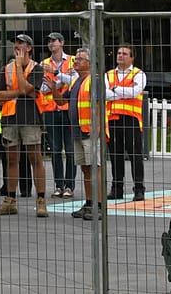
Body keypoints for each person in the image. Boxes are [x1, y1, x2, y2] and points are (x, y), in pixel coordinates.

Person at [0, 33, 49, 217]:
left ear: (29, 48)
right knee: (12, 159)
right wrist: (20, 93)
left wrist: (18, 70)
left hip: (30, 119)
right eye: (15, 43)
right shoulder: (5, 69)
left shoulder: (36, 68)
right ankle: (10, 200)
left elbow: (27, 88)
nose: (17, 46)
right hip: (10, 118)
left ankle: (41, 200)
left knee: (35, 158)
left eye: (21, 43)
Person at [67, 48, 107, 220]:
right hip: (78, 131)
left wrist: (97, 129)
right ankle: (90, 203)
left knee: (94, 168)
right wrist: (53, 87)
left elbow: (99, 105)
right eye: (75, 59)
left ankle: (99, 206)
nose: (75, 62)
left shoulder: (94, 80)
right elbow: (61, 100)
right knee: (85, 168)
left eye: (80, 59)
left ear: (89, 63)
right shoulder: (76, 82)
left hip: (90, 131)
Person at [105, 44, 148, 201]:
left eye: (124, 53)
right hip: (113, 119)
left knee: (135, 155)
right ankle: (116, 188)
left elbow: (135, 92)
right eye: (119, 53)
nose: (120, 56)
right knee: (115, 155)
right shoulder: (108, 74)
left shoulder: (139, 74)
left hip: (131, 119)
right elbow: (105, 94)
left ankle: (139, 189)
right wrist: (123, 91)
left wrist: (115, 88)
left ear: (132, 57)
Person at [41, 31, 76, 198]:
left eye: (54, 40)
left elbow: (75, 82)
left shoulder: (73, 61)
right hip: (51, 110)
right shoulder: (43, 63)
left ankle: (69, 186)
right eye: (49, 41)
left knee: (70, 150)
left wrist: (55, 76)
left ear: (62, 43)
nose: (51, 43)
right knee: (55, 150)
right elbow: (42, 88)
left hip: (68, 110)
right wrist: (62, 80)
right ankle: (58, 184)